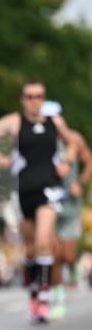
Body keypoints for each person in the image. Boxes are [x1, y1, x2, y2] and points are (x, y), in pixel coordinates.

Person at [0, 81, 77, 323]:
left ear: (44, 98)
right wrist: (0, 159)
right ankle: (34, 292)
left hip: (49, 188)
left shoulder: (55, 121)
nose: (34, 100)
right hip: (23, 190)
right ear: (23, 99)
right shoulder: (15, 122)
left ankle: (44, 299)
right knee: (31, 249)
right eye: (29, 96)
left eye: (39, 96)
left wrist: (67, 161)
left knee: (45, 243)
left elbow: (73, 141)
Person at [51, 129, 92, 315]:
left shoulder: (74, 139)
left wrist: (80, 182)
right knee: (52, 253)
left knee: (68, 255)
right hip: (49, 204)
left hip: (71, 205)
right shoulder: (42, 138)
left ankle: (73, 267)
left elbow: (89, 161)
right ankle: (57, 293)